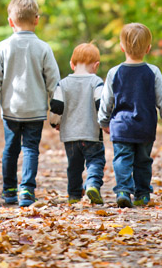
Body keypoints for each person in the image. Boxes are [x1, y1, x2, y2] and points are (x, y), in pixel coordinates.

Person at [0, 0, 60, 207]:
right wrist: (55, 116)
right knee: (30, 149)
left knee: (11, 148)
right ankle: (27, 189)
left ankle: (9, 190)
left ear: (10, 22)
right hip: (35, 110)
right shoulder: (44, 48)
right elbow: (54, 84)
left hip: (11, 110)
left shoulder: (3, 47)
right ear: (37, 19)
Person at [98, 23, 162, 208]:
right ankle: (142, 194)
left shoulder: (114, 72)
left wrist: (103, 120)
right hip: (145, 125)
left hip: (121, 125)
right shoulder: (153, 72)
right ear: (148, 48)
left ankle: (124, 190)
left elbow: (106, 100)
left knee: (122, 159)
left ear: (121, 47)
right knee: (143, 161)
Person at [50, 43, 106, 205]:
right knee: (96, 161)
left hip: (70, 135)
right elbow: (100, 104)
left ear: (72, 64)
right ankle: (92, 184)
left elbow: (56, 106)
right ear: (96, 66)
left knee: (74, 167)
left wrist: (55, 123)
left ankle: (74, 195)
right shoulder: (96, 82)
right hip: (92, 134)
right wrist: (105, 123)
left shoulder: (63, 83)